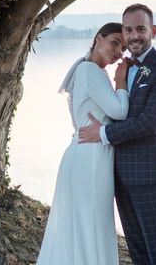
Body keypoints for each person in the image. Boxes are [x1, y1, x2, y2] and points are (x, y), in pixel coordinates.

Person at [79, 4, 156, 265]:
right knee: (138, 253)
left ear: (153, 31)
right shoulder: (122, 69)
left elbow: (150, 122)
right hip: (121, 176)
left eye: (140, 29)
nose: (134, 36)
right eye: (128, 30)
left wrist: (102, 133)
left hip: (151, 175)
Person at [36, 22, 129, 265]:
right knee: (90, 225)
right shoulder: (91, 71)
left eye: (123, 47)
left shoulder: (85, 69)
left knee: (85, 226)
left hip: (85, 154)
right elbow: (119, 111)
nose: (119, 51)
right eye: (114, 43)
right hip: (90, 160)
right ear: (98, 38)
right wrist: (121, 82)